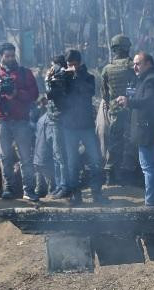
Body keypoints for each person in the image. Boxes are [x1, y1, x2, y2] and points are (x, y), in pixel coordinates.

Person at [0, 42, 39, 200]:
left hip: (21, 120)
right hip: (1, 121)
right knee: (5, 157)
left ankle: (29, 190)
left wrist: (16, 93)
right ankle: (8, 189)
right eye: (6, 56)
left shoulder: (25, 73)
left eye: (12, 55)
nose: (10, 59)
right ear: (1, 56)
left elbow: (34, 94)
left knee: (25, 157)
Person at [116, 51, 154, 206]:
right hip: (145, 132)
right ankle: (153, 199)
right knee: (150, 167)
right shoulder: (144, 79)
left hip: (149, 133)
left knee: (149, 168)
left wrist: (129, 102)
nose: (135, 67)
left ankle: (151, 202)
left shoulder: (153, 80)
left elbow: (149, 101)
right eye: (134, 64)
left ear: (148, 64)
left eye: (138, 63)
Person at [57, 49, 103, 203]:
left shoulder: (88, 77)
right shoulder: (64, 78)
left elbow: (89, 92)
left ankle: (97, 193)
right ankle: (76, 195)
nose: (72, 67)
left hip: (86, 125)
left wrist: (76, 76)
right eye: (69, 65)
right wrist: (60, 77)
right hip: (69, 126)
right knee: (72, 162)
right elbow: (58, 96)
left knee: (95, 159)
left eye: (74, 64)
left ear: (80, 63)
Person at [101, 34, 137, 185]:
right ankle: (126, 174)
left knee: (114, 141)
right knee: (129, 141)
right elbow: (136, 86)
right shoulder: (131, 66)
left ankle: (110, 172)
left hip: (114, 110)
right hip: (130, 109)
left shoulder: (107, 68)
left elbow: (104, 93)